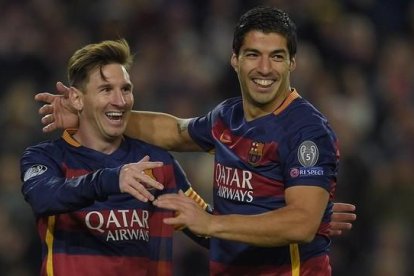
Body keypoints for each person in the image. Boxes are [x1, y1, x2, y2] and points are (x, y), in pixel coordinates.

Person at [35, 7, 357, 275]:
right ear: (235, 59)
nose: (264, 68)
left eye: (276, 56)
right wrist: (92, 115)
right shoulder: (227, 116)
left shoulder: (306, 131)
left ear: (292, 63)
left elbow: (301, 223)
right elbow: (174, 132)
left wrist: (209, 224)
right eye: (253, 54)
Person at [20, 39, 210, 276]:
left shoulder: (156, 163)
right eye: (106, 89)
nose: (120, 101)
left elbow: (209, 231)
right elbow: (44, 198)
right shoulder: (46, 157)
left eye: (126, 89)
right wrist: (112, 179)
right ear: (77, 99)